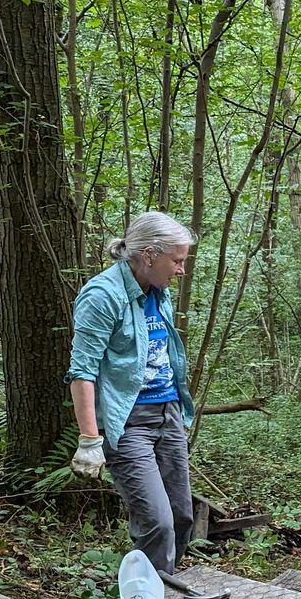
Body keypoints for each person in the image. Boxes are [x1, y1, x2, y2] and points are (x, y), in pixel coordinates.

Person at [65, 212, 196, 575]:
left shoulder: (160, 291)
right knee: (158, 524)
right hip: (129, 423)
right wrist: (90, 439)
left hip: (167, 412)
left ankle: (160, 587)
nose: (182, 270)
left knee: (182, 517)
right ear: (150, 255)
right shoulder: (103, 295)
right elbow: (83, 370)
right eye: (178, 260)